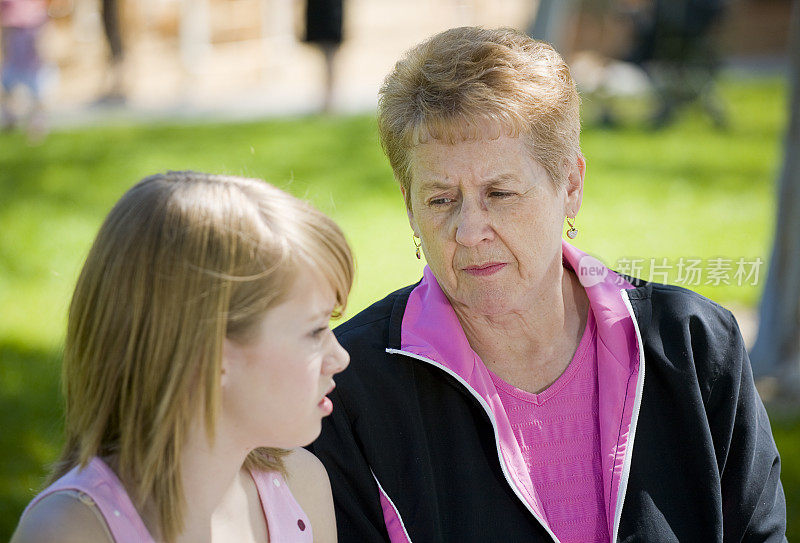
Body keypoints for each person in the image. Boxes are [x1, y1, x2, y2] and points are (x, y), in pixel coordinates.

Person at [307, 26, 787, 542]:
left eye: (501, 193)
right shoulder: (347, 388)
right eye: (440, 199)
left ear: (572, 185)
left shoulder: (693, 344)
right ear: (409, 205)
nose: (469, 232)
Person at [11, 171, 353, 543]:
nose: (340, 357)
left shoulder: (301, 486)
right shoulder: (70, 531)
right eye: (316, 330)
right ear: (211, 354)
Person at [0, 0, 48, 139]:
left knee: (36, 91)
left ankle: (37, 124)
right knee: (7, 86)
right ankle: (10, 118)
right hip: (13, 40)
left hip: (30, 38)